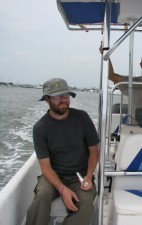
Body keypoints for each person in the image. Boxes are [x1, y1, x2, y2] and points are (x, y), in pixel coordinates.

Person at [25, 78, 99, 225]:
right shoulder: (40, 128)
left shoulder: (82, 117)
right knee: (41, 197)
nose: (64, 100)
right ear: (47, 99)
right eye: (58, 96)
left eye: (66, 95)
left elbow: (94, 151)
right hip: (52, 175)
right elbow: (45, 167)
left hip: (80, 176)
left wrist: (89, 176)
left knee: (85, 201)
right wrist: (62, 190)